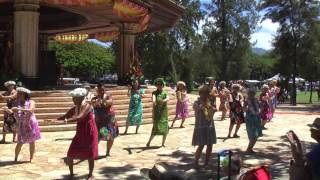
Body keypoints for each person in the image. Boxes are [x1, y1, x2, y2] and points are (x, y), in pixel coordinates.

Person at [57, 88, 98, 180]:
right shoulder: (75, 107)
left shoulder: (87, 105)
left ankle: (90, 174)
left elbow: (80, 117)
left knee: (90, 155)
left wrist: (67, 120)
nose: (73, 100)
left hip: (89, 132)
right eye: (73, 98)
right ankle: (71, 174)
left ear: (81, 98)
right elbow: (65, 116)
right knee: (70, 153)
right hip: (80, 132)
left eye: (75, 98)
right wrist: (54, 120)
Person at [9, 87, 41, 162]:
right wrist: (8, 110)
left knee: (32, 142)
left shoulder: (31, 102)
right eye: (18, 93)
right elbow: (12, 111)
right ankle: (16, 158)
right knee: (20, 142)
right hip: (21, 124)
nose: (18, 95)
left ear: (25, 94)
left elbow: (30, 110)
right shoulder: (16, 103)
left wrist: (19, 109)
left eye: (20, 93)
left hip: (31, 124)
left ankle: (31, 158)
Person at [192, 85, 217, 166]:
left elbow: (213, 110)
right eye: (203, 93)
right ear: (199, 94)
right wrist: (202, 105)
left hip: (209, 126)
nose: (205, 95)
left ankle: (206, 162)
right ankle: (196, 161)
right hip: (201, 126)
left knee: (210, 145)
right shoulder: (196, 102)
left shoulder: (210, 102)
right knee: (201, 145)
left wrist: (213, 109)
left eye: (206, 93)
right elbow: (197, 109)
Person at [92, 83, 119, 157]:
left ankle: (107, 152)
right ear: (97, 90)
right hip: (101, 122)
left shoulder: (108, 96)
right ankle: (93, 152)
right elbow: (93, 105)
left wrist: (103, 100)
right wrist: (97, 101)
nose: (102, 91)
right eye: (100, 90)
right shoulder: (94, 98)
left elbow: (109, 103)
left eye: (103, 90)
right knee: (98, 137)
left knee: (111, 136)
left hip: (110, 120)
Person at [146, 78, 169, 147]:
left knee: (165, 128)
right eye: (158, 84)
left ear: (163, 85)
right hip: (157, 113)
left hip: (164, 113)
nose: (159, 86)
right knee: (155, 128)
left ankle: (163, 143)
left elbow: (168, 98)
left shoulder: (165, 93)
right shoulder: (154, 93)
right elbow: (153, 98)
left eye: (160, 84)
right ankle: (149, 142)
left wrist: (164, 100)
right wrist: (153, 101)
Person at [243, 88, 262, 153]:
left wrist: (259, 111)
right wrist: (246, 108)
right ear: (248, 94)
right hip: (250, 119)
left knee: (256, 135)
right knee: (252, 135)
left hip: (256, 118)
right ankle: (248, 149)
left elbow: (260, 107)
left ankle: (250, 149)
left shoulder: (256, 100)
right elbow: (244, 109)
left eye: (253, 93)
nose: (251, 94)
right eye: (250, 93)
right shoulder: (246, 101)